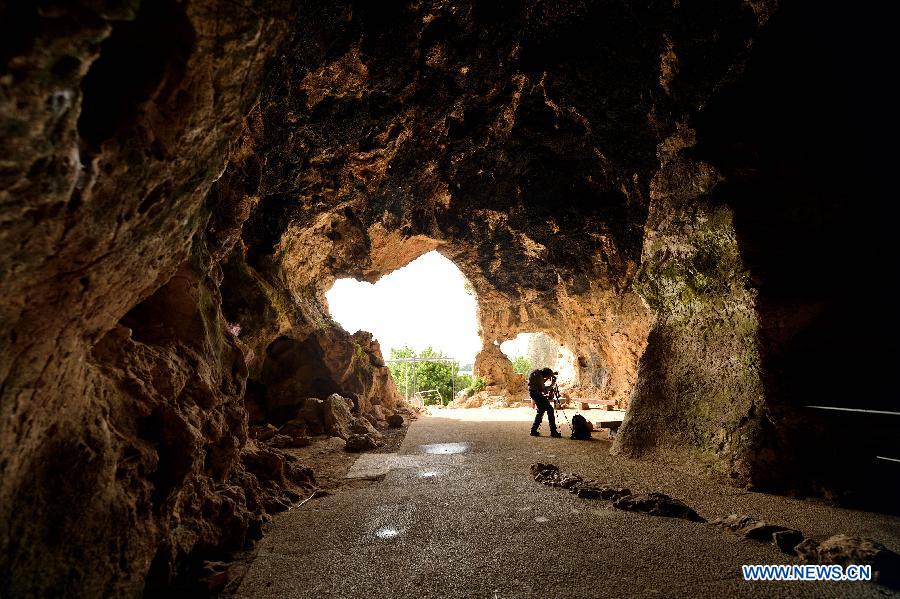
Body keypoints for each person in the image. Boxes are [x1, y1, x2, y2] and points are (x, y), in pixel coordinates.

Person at [528, 367, 561, 437]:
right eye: (548, 376)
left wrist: (548, 377)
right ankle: (553, 431)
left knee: (541, 410)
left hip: (534, 393)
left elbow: (540, 383)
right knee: (550, 409)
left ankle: (533, 430)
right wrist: (552, 384)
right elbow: (544, 390)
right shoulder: (539, 376)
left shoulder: (536, 373)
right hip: (536, 394)